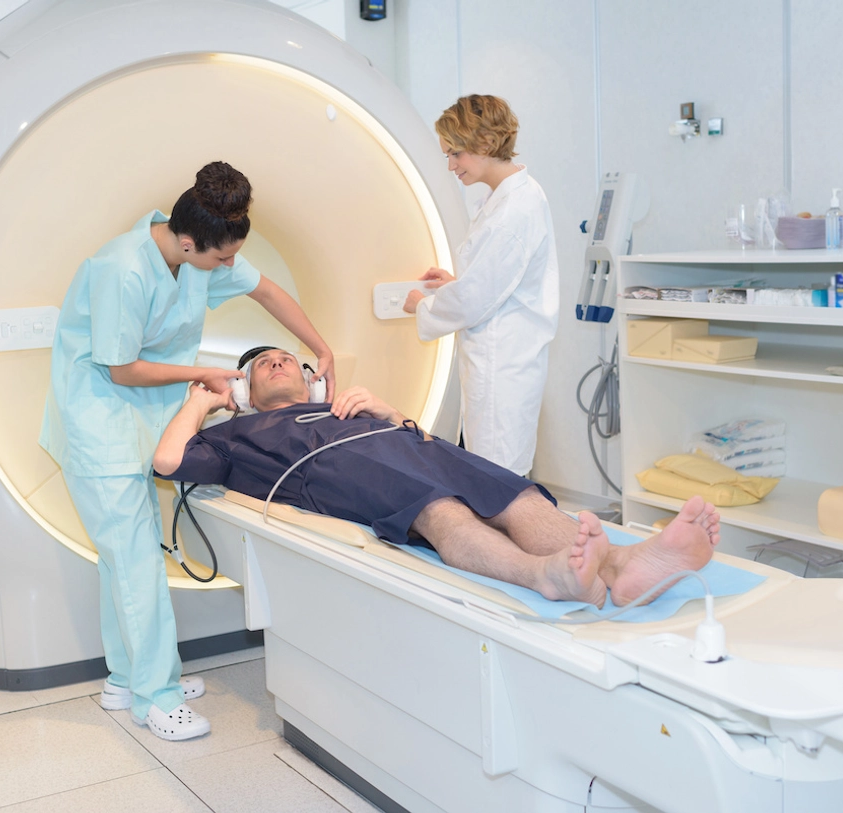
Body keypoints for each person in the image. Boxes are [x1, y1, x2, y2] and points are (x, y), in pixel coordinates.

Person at [39, 163, 335, 743]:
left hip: (145, 424)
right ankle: (158, 696)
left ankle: (126, 679)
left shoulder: (199, 255)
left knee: (127, 560)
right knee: (137, 567)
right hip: (99, 425)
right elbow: (121, 368)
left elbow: (267, 290)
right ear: (187, 241)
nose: (229, 269)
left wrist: (320, 347)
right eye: (221, 259)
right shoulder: (122, 269)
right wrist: (204, 374)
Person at [153, 348, 720, 609]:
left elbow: (413, 436)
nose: (278, 364)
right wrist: (200, 404)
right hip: (334, 473)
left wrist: (387, 410)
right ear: (248, 393)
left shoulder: (345, 406)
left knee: (508, 491)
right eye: (262, 365)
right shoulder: (240, 435)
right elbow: (168, 464)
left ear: (312, 382)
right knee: (438, 506)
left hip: (403, 443)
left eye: (287, 360)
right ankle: (545, 575)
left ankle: (627, 566)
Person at [403, 94, 559, 477]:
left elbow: (473, 301)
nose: (451, 166)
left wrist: (420, 306)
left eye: (456, 154)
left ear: (486, 144)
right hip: (499, 354)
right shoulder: (511, 197)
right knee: (494, 469)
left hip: (502, 363)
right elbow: (495, 283)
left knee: (497, 476)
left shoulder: (512, 212)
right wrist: (457, 283)